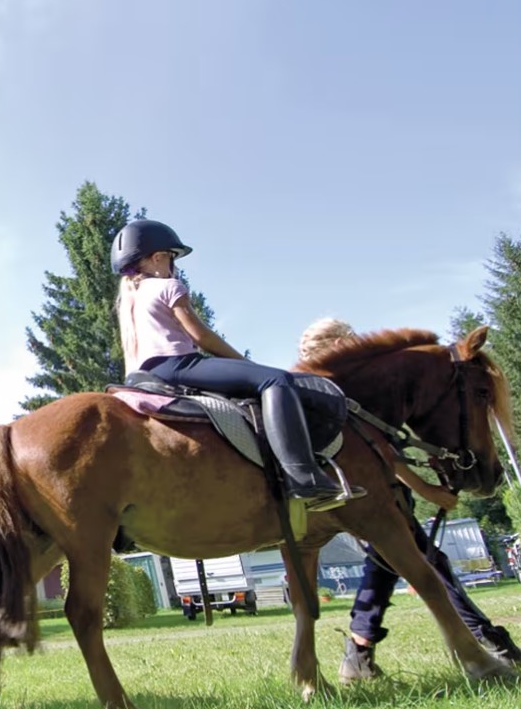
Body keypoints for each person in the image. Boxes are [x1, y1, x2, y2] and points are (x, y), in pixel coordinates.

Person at [296, 317, 521, 679]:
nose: (356, 344)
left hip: (380, 492)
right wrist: (427, 489)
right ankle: (487, 643)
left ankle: (359, 654)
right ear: (333, 347)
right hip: (367, 496)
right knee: (426, 562)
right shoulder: (333, 396)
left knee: (393, 562)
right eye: (347, 341)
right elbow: (374, 457)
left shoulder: (359, 389)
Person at [112, 219, 363, 511]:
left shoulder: (128, 299)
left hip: (142, 375)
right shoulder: (168, 285)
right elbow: (200, 335)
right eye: (171, 258)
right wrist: (244, 363)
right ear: (157, 258)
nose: (174, 266)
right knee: (276, 380)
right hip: (177, 365)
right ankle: (303, 476)